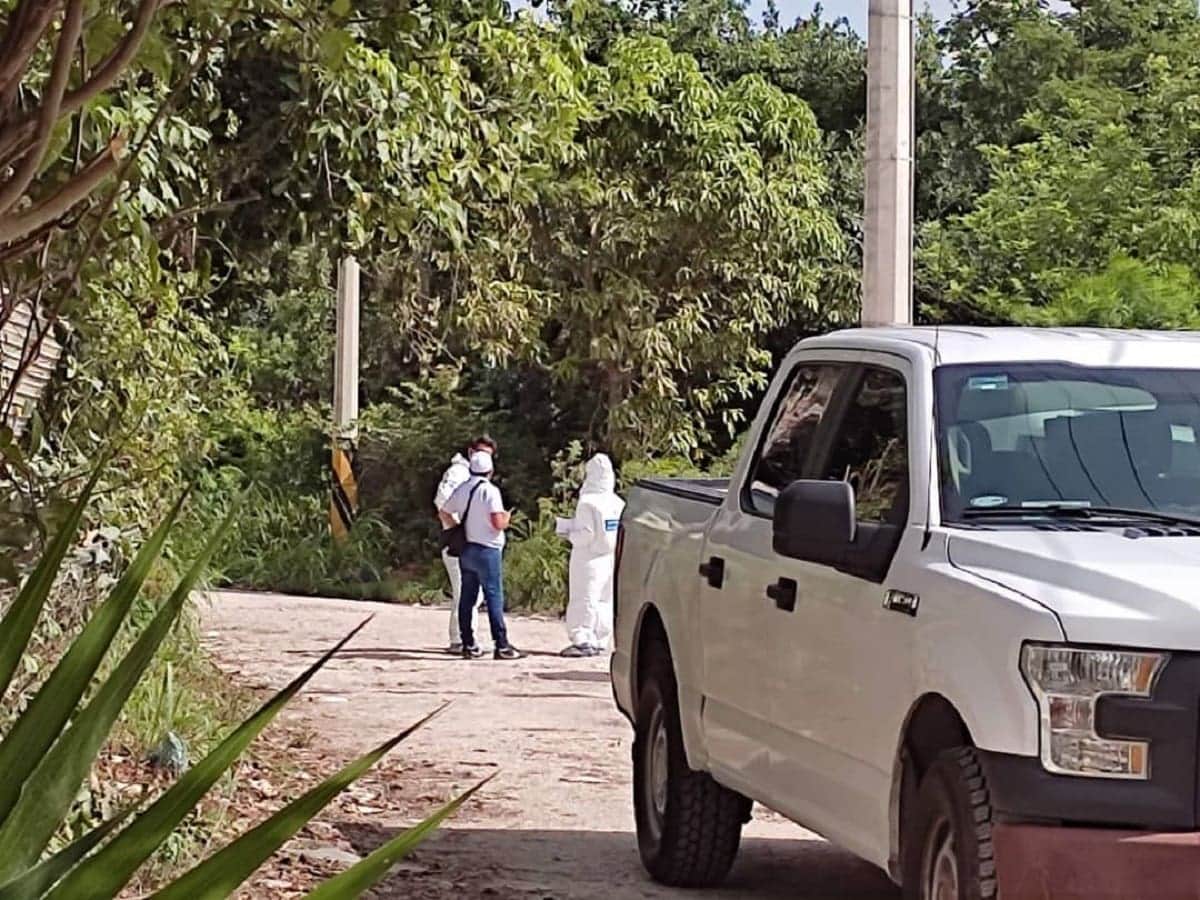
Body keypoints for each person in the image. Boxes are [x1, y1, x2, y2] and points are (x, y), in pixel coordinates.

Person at [440, 449, 522, 660]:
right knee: (494, 596)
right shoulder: (490, 491)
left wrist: (457, 527)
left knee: (467, 597)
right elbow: (497, 523)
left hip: (467, 548)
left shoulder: (463, 488)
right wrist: (507, 519)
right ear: (490, 470)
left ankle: (468, 643)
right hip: (488, 549)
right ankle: (501, 645)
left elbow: (444, 510)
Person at [559, 453, 625, 657]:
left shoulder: (588, 502)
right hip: (610, 556)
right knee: (604, 600)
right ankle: (600, 638)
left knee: (584, 597)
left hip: (588, 558)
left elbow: (586, 535)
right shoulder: (617, 502)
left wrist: (568, 532)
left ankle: (582, 638)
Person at [434, 436, 495, 654]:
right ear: (470, 452)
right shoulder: (458, 473)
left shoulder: (474, 476)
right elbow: (442, 504)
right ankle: (460, 638)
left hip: (473, 542)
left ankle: (463, 636)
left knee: (471, 592)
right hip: (461, 543)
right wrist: (458, 529)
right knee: (465, 590)